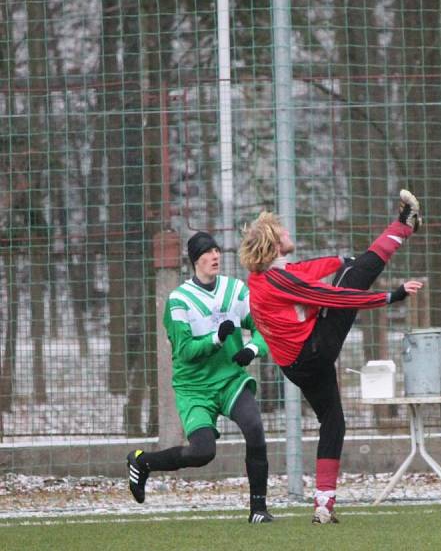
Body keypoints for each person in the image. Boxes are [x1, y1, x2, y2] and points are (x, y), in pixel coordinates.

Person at [239, 190, 424, 525]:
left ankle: (324, 504)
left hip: (296, 365)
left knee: (334, 421)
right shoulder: (280, 281)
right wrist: (390, 296)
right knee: (352, 281)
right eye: (283, 232)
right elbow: (333, 295)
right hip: (312, 353)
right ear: (274, 243)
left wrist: (340, 260)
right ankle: (403, 225)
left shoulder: (264, 275)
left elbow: (305, 269)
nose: (288, 233)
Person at [126, 232, 273, 524]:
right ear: (195, 260)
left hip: (230, 380)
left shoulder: (235, 289)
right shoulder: (179, 300)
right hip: (194, 387)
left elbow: (264, 327)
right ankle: (142, 462)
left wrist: (252, 349)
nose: (215, 255)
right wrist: (216, 340)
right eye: (207, 252)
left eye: (217, 250)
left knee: (255, 427)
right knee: (202, 453)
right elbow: (185, 351)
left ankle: (258, 509)